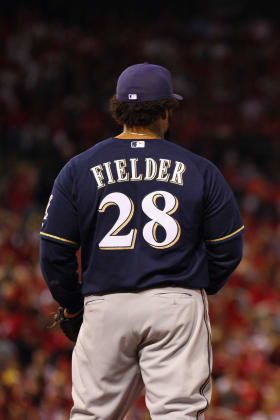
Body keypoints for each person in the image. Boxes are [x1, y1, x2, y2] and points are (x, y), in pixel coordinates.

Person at [39, 63, 244, 419]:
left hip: (105, 304)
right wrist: (197, 285)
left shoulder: (78, 168)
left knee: (91, 414)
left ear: (118, 108)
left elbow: (54, 251)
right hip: (174, 303)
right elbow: (228, 248)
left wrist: (73, 305)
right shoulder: (198, 168)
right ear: (166, 111)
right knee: (178, 412)